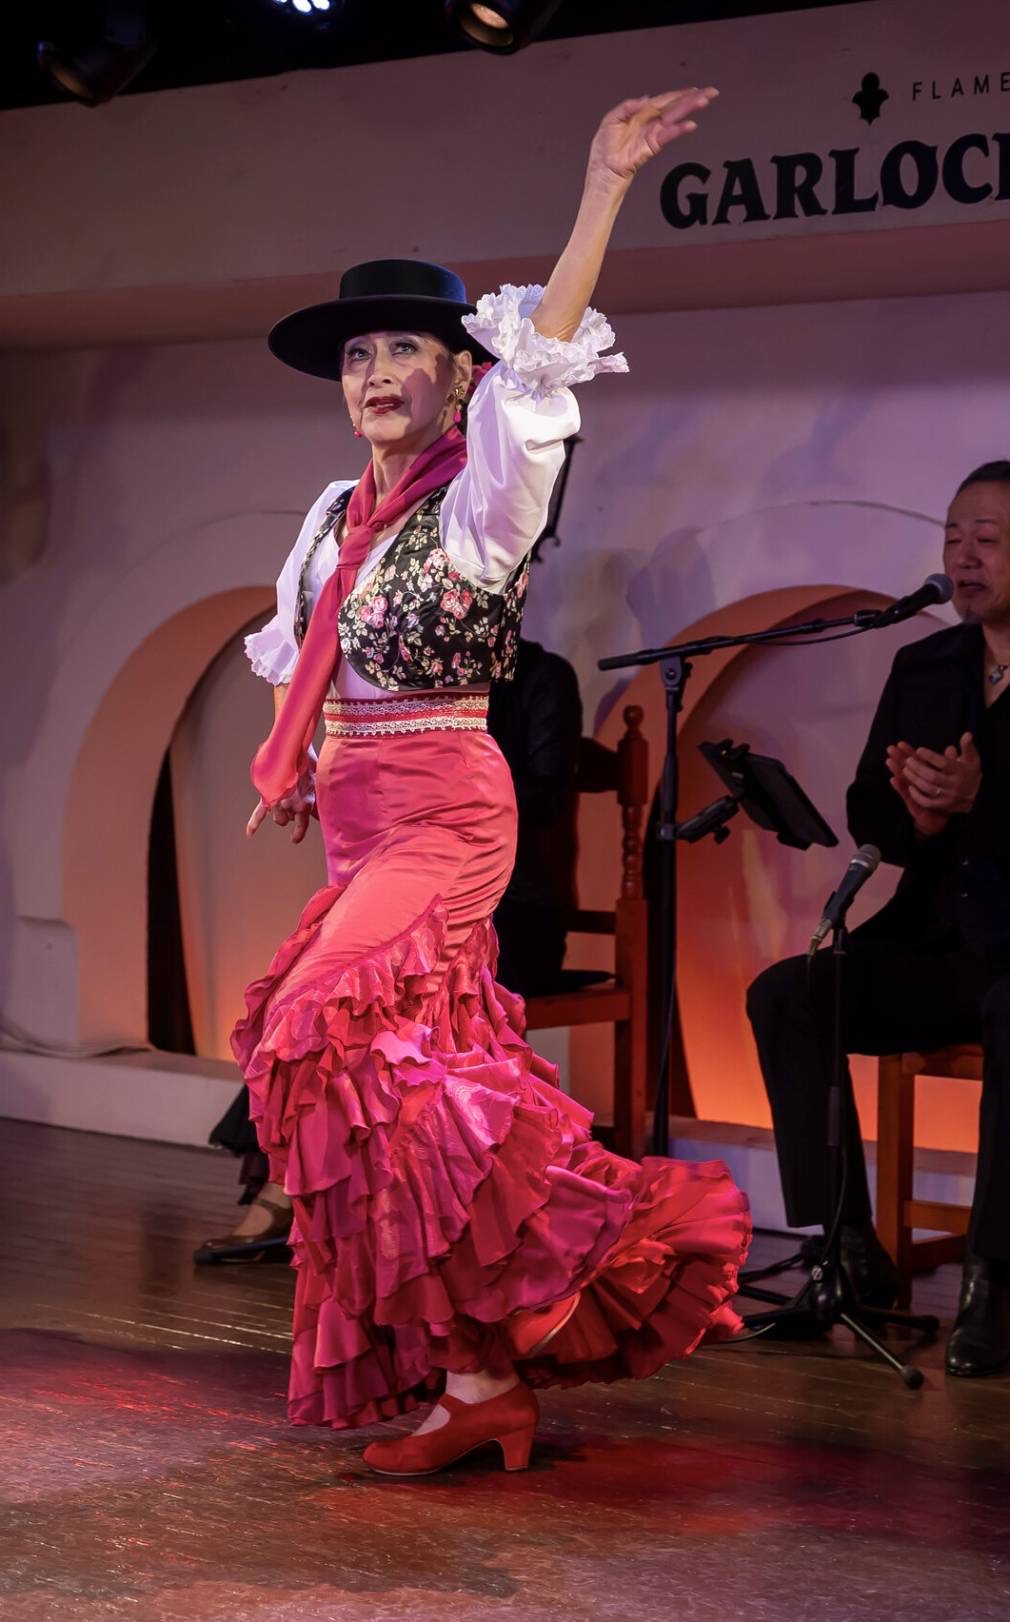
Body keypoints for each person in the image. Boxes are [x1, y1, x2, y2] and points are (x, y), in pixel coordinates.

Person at [231, 88, 750, 1477]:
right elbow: (301, 646)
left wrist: (601, 188)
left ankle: (592, 1218)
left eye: (404, 349)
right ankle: (475, 1374)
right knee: (411, 1088)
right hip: (358, 819)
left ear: (457, 376)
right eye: (357, 354)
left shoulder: (485, 491)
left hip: (448, 812)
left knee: (311, 1035)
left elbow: (545, 363)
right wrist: (302, 755)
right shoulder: (332, 516)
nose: (374, 371)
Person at [194, 634, 582, 1264]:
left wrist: (430, 766)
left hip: (507, 888)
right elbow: (299, 660)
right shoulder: (376, 652)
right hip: (387, 852)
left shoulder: (540, 675)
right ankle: (366, 1214)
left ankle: (319, 1196)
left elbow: (547, 793)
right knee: (334, 1012)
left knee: (339, 1007)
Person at [747, 460, 1010, 1378]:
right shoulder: (924, 664)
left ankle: (992, 1283)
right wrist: (922, 819)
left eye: (988, 540)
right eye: (953, 537)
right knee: (788, 994)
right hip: (930, 941)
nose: (964, 558)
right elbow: (870, 807)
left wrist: (982, 801)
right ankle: (846, 1249)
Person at [488, 638, 583, 997]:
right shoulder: (435, 681)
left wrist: (468, 771)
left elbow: (546, 801)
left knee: (444, 953)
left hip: (516, 907)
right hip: (442, 889)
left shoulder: (542, 676)